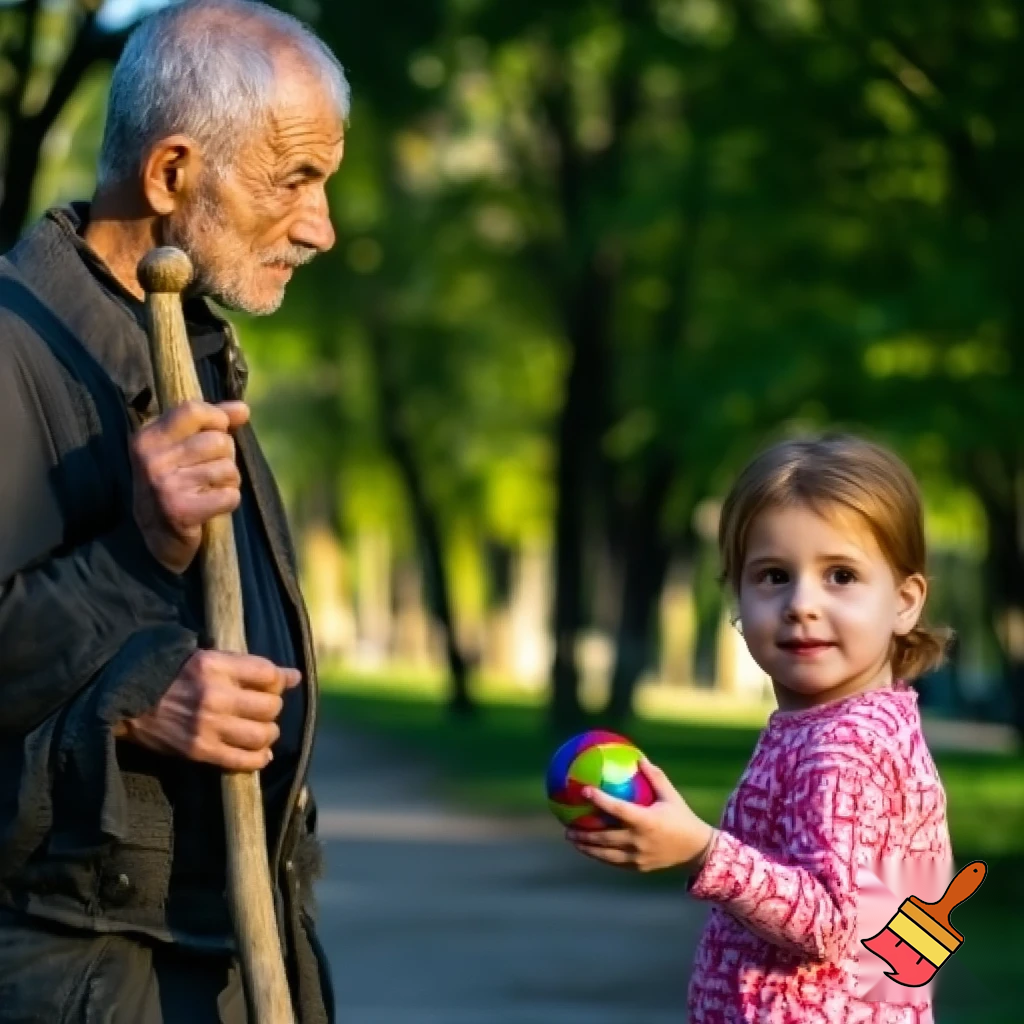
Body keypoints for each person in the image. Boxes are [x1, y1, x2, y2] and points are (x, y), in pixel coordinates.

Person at [0, 2, 347, 1021]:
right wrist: (139, 616)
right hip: (79, 974)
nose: (322, 227)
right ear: (170, 174)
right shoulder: (11, 352)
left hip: (221, 949)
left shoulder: (185, 341)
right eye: (296, 181)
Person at [567, 434, 955, 1023]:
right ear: (738, 601)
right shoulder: (863, 726)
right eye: (773, 575)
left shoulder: (844, 748)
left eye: (841, 576)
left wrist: (702, 850)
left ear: (904, 602)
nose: (802, 603)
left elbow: (831, 922)